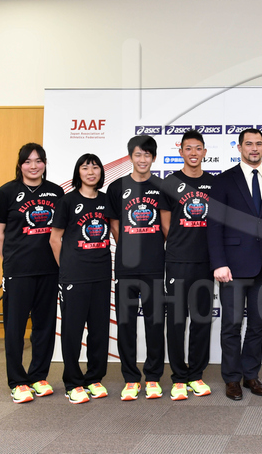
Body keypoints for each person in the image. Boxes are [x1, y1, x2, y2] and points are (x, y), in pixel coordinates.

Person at [207, 127, 262, 401]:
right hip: (232, 267)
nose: (254, 148)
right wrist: (218, 262)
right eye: (249, 144)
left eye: (258, 144)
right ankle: (232, 379)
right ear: (239, 147)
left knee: (257, 326)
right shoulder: (223, 180)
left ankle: (251, 375)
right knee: (231, 325)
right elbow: (214, 224)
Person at [0, 143, 64, 404]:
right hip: (18, 271)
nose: (34, 166)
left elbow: (60, 232)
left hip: (49, 269)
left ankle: (38, 377)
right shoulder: (5, 192)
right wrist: (11, 263)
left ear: (45, 163)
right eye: (28, 161)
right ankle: (17, 381)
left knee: (45, 325)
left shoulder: (56, 192)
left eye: (39, 160)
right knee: (15, 327)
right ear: (20, 165)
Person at [107, 135, 166, 401]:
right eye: (138, 154)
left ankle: (153, 377)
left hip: (154, 266)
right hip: (126, 268)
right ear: (130, 157)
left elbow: (166, 226)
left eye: (147, 155)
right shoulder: (117, 187)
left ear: (154, 158)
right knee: (126, 324)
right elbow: (115, 226)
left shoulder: (162, 187)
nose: (143, 159)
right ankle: (131, 378)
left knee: (155, 323)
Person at [50, 154, 112, 404]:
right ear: (78, 172)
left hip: (101, 274)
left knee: (99, 330)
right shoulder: (67, 201)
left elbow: (114, 230)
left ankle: (94, 379)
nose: (91, 172)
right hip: (74, 276)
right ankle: (73, 382)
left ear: (101, 173)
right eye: (85, 168)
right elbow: (55, 239)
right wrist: (66, 268)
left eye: (95, 167)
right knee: (72, 331)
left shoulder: (106, 200)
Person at [159, 130, 215, 400]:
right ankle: (179, 377)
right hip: (178, 262)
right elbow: (165, 224)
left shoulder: (214, 183)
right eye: (188, 148)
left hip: (206, 262)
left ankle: (196, 375)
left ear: (205, 152)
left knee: (201, 320)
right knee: (177, 321)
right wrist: (180, 245)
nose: (193, 153)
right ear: (181, 152)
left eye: (198, 148)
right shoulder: (170, 183)